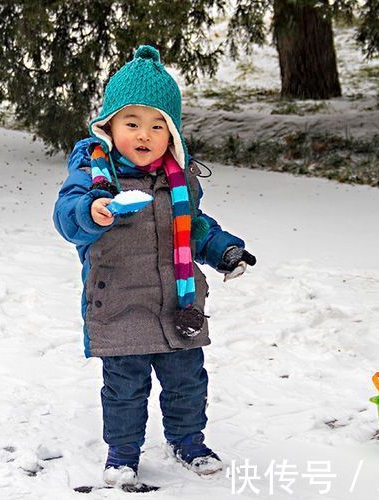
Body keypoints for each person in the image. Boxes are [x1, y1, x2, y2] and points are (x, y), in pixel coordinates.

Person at [53, 45, 256, 486]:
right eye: (132, 123)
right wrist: (92, 212)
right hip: (120, 304)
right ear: (108, 126)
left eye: (157, 125)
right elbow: (67, 218)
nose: (144, 134)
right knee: (124, 388)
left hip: (177, 304)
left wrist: (225, 251)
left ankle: (187, 440)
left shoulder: (178, 180)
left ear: (173, 134)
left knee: (187, 381)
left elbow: (195, 228)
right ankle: (122, 453)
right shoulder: (93, 177)